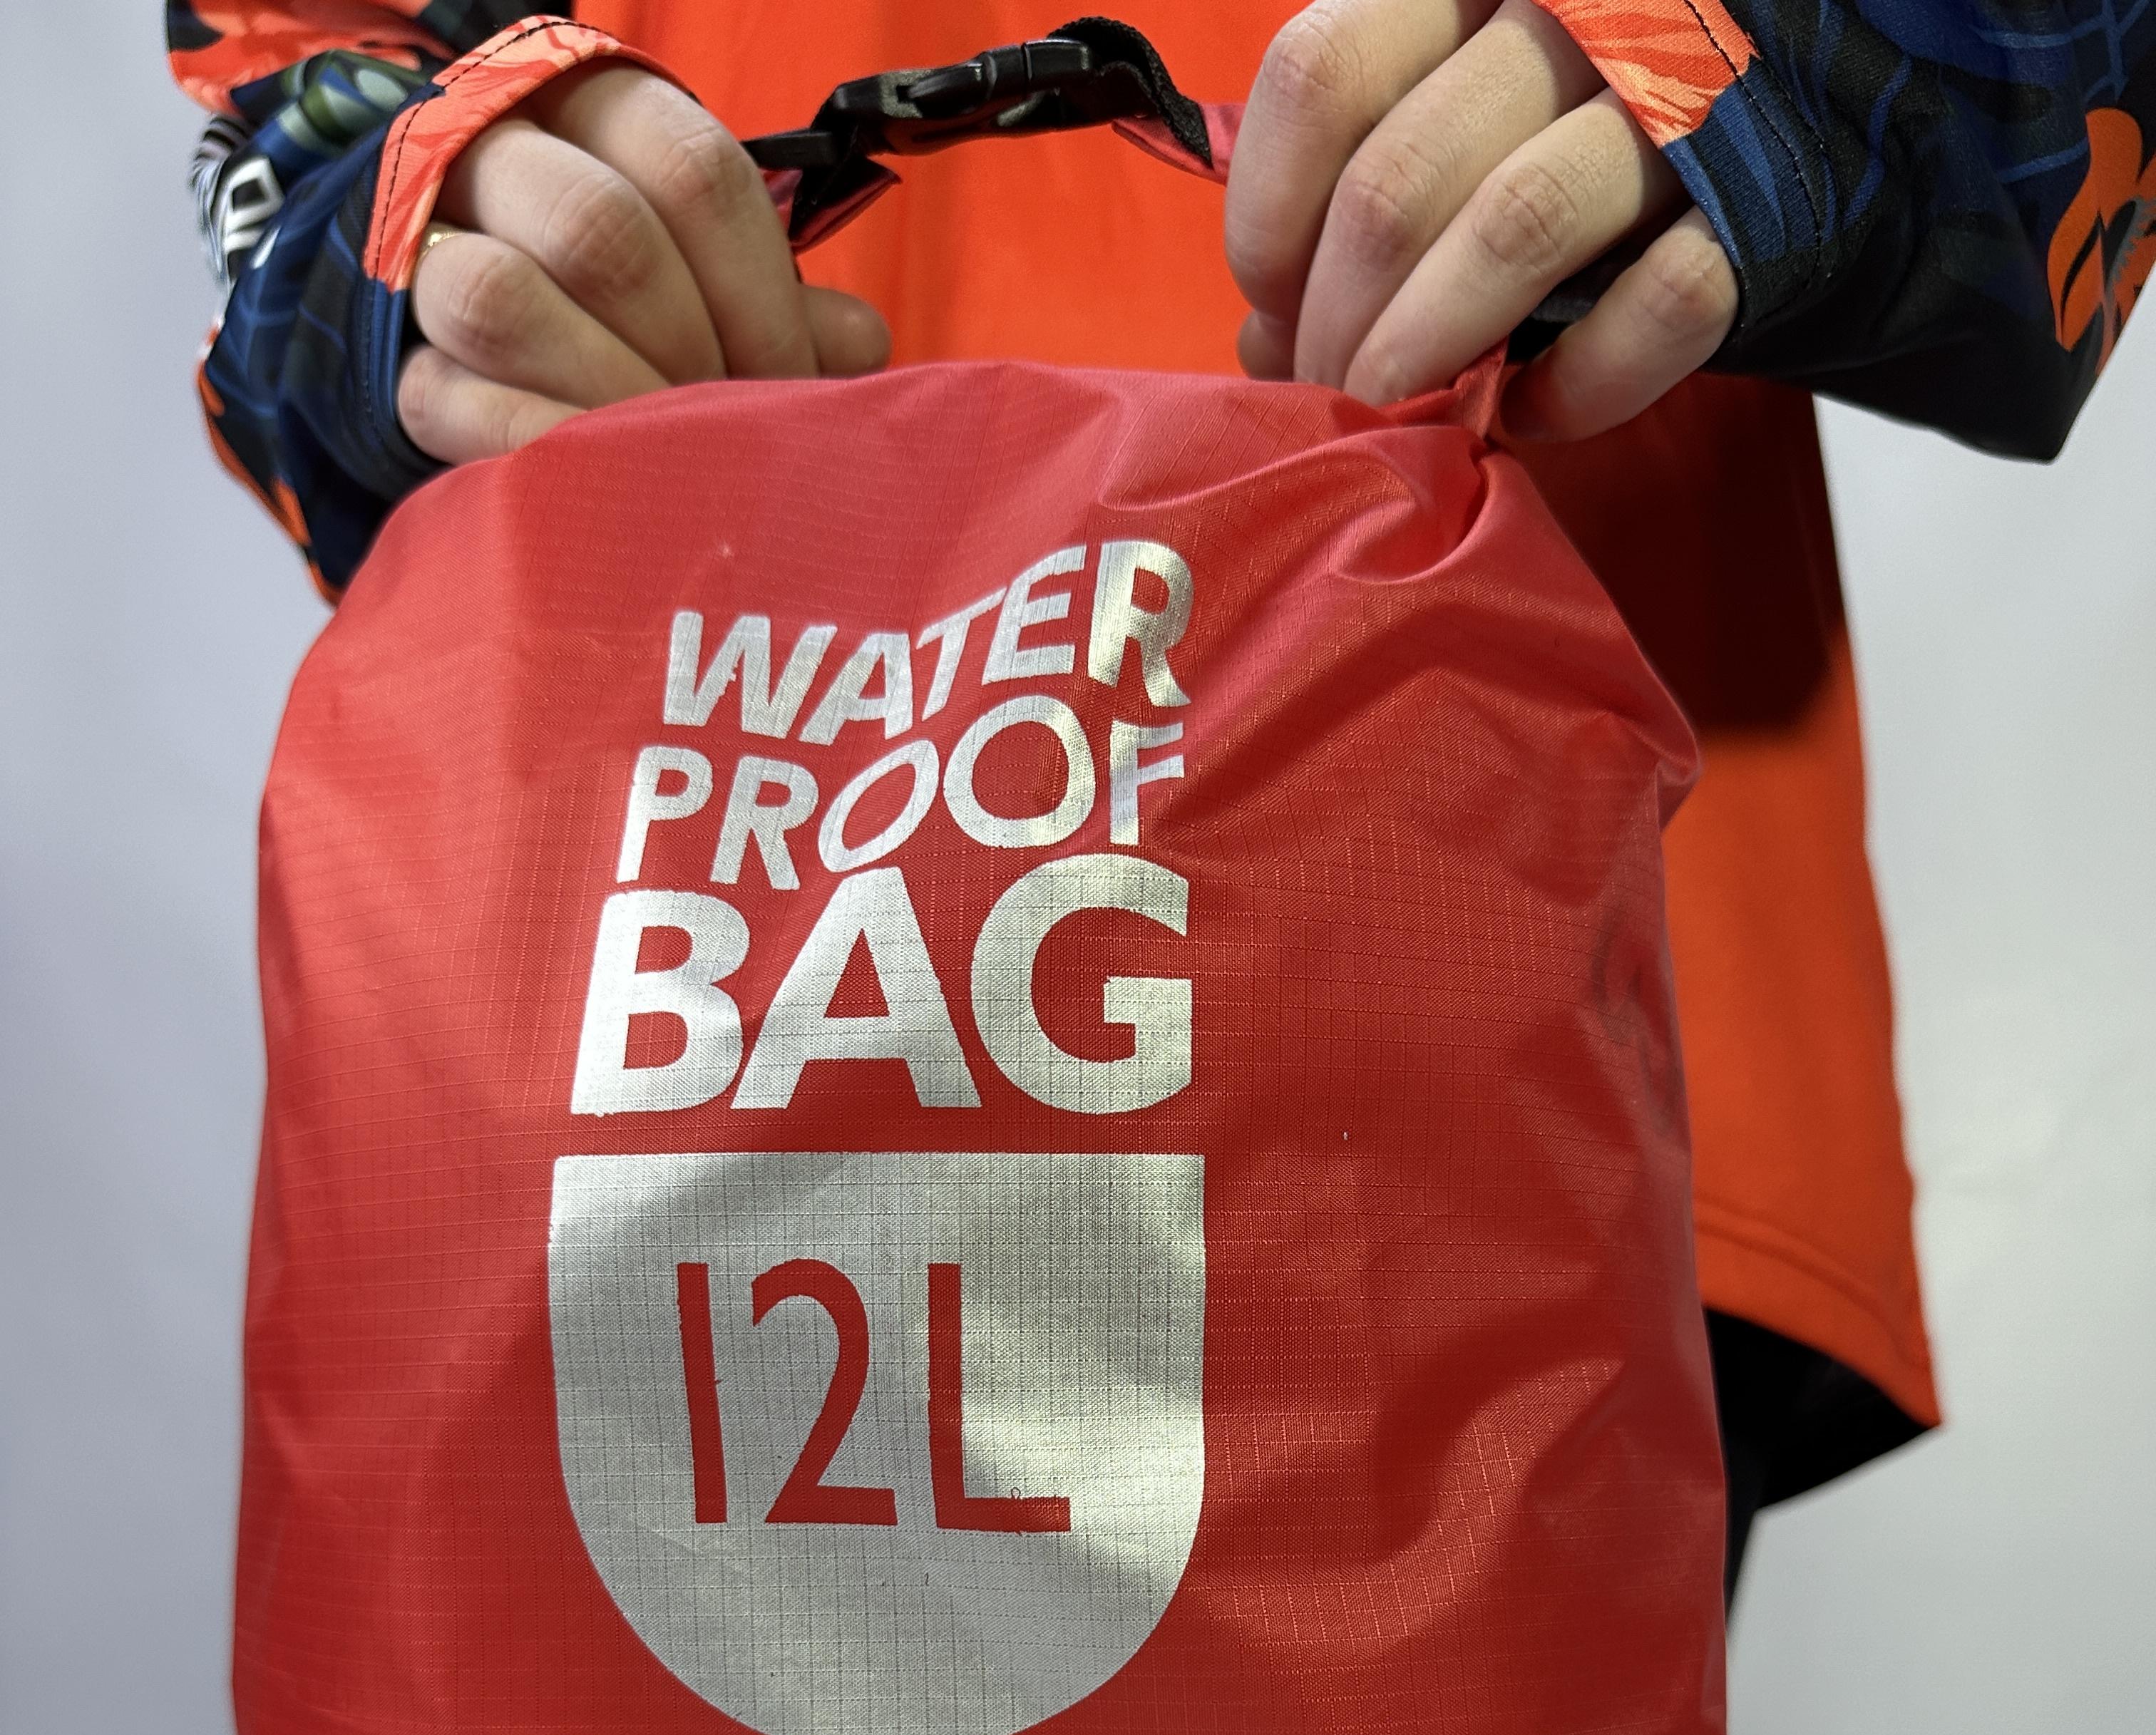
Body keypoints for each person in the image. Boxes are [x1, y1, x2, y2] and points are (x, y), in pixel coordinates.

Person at [170, 0, 2152, 1595]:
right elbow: (304, 76)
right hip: (696, 979)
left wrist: (1813, 49)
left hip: (1493, 977)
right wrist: (413, 222)